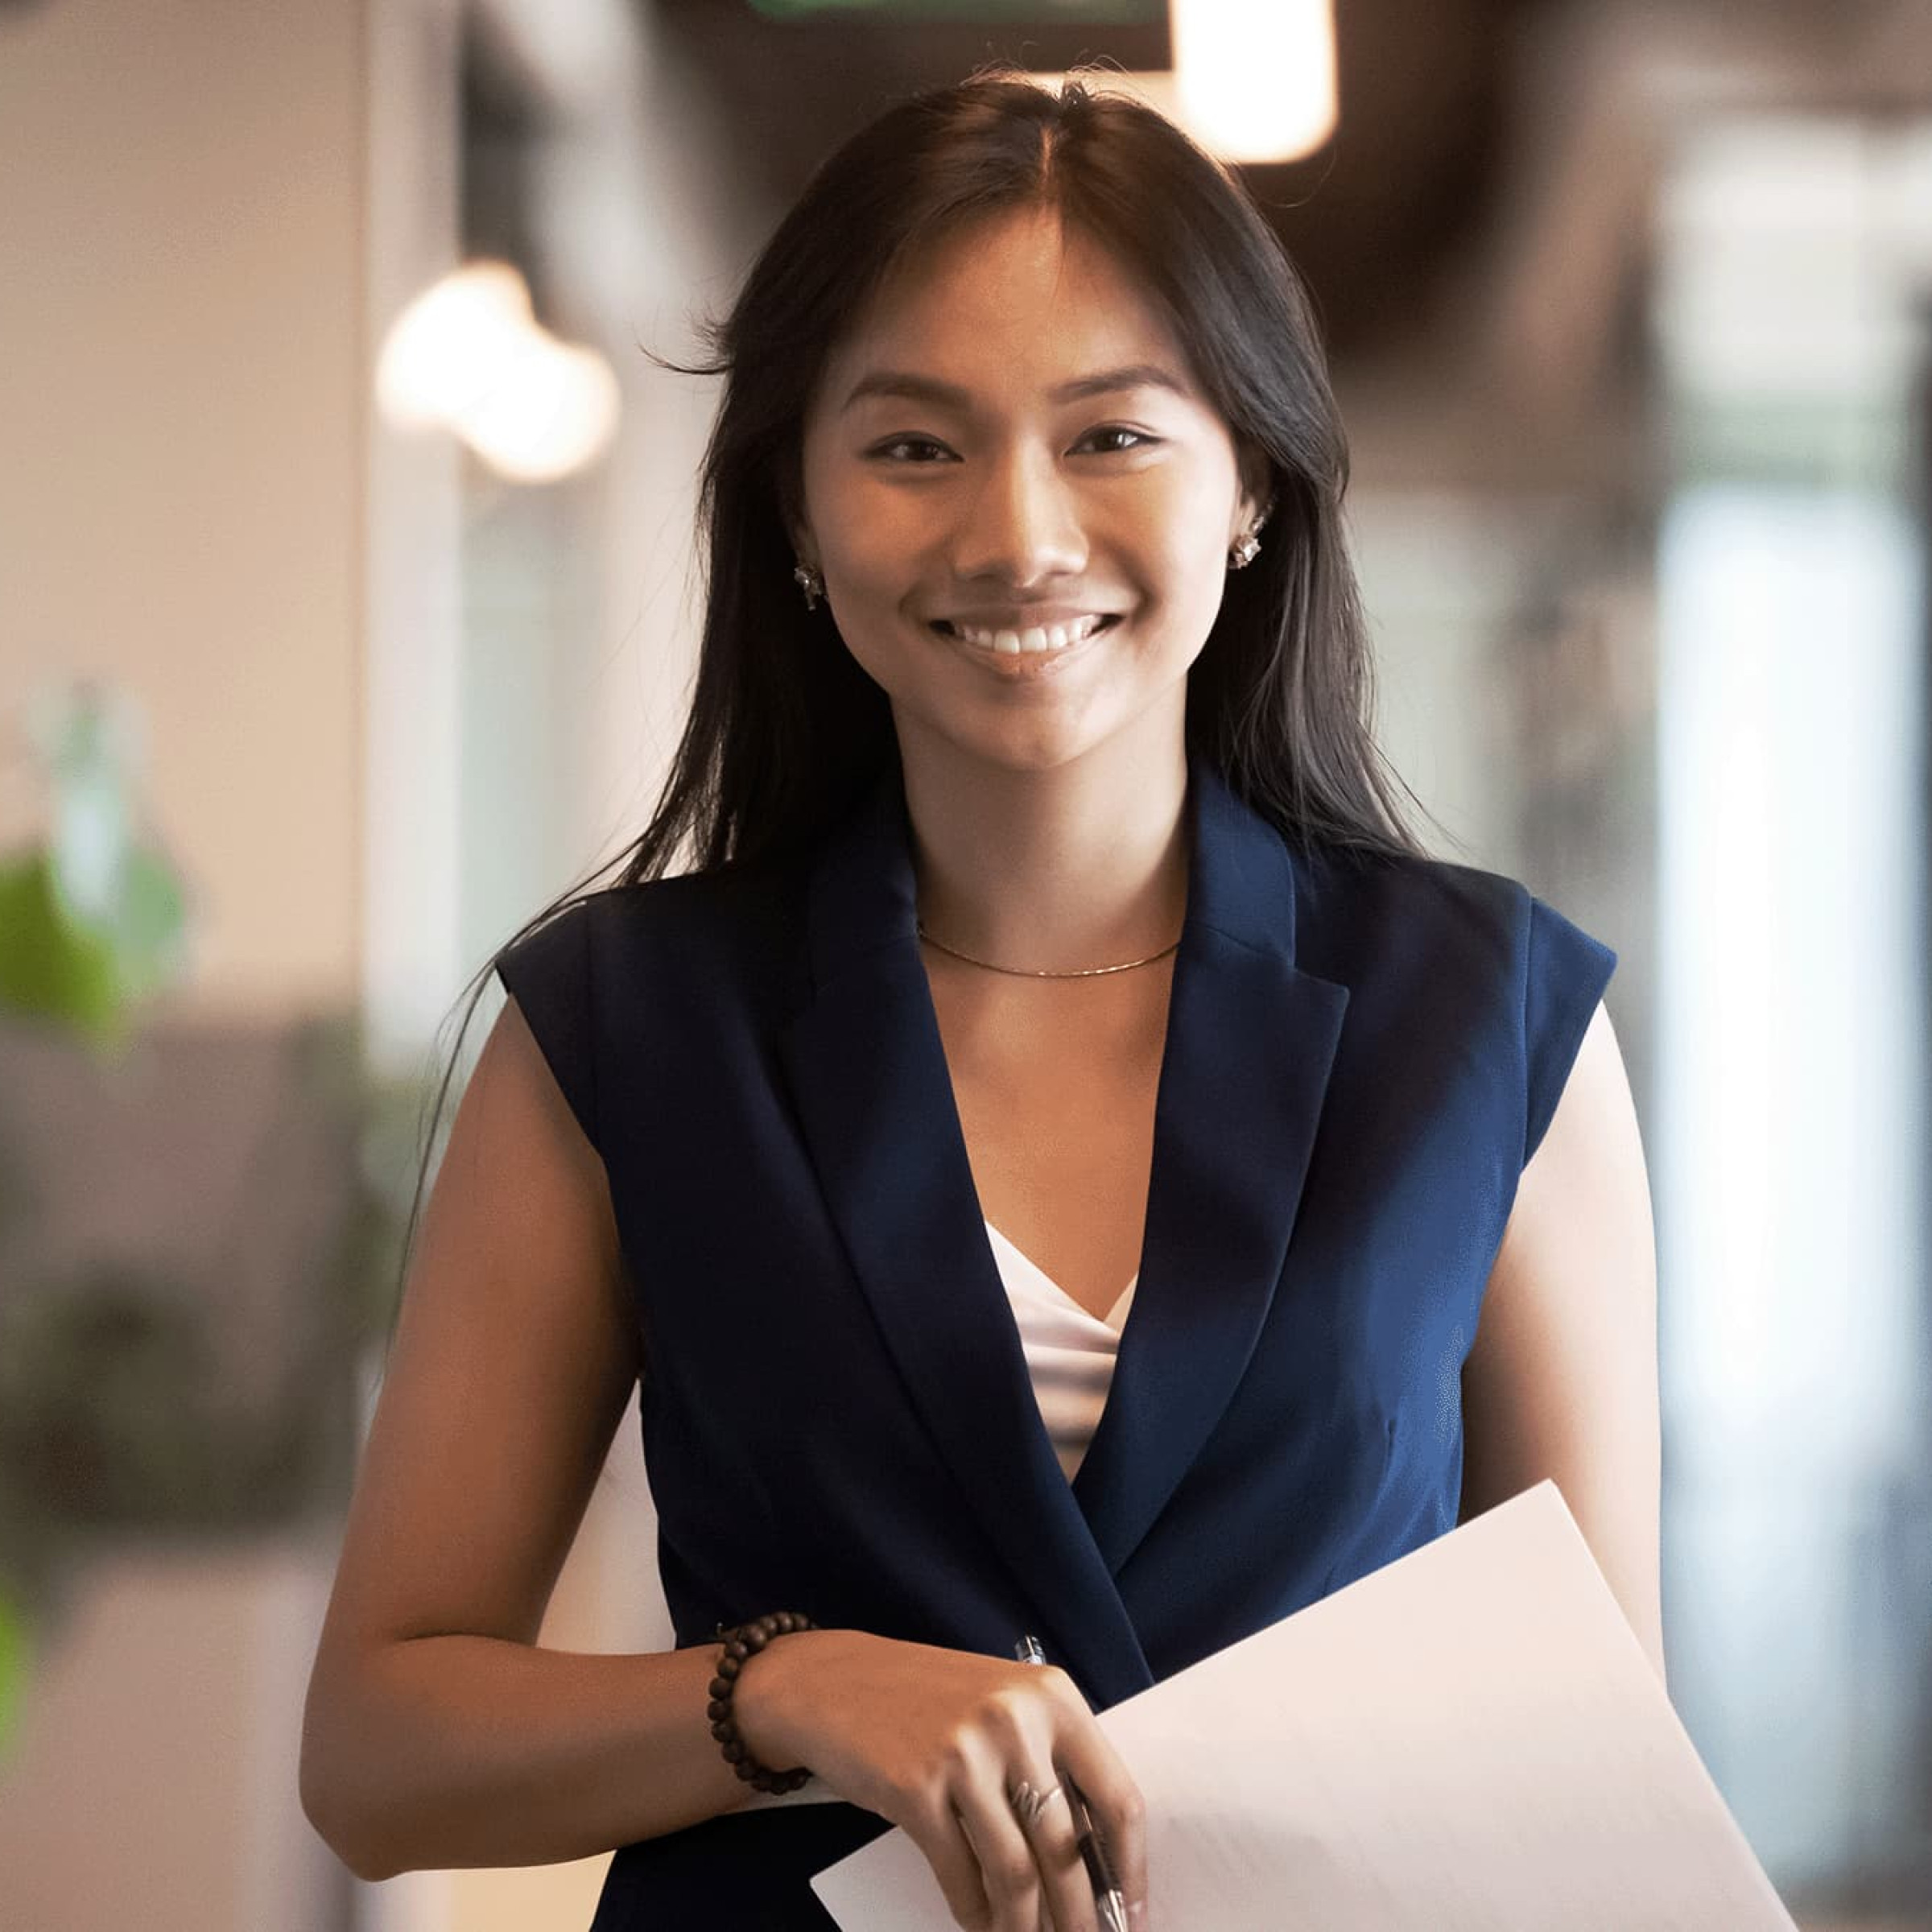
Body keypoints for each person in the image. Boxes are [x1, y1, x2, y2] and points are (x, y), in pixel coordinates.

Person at [299, 67, 1662, 1932]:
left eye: (1112, 437)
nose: (1018, 535)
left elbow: (1600, 1767)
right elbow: (376, 1753)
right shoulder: (619, 1029)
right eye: (915, 446)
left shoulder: (1490, 1024)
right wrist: (776, 1693)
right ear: (793, 508)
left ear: (1251, 482)